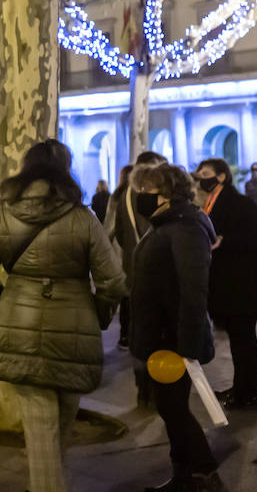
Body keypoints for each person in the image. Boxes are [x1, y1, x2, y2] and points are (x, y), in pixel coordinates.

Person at [0, 140, 125, 492]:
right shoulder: (83, 217)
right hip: (76, 326)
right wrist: (98, 315)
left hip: (20, 325)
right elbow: (113, 281)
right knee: (60, 422)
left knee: (41, 426)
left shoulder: (0, 213)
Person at [129, 163, 224, 492]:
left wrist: (185, 345)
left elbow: (194, 289)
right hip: (160, 333)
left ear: (168, 193)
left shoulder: (184, 227)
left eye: (147, 191)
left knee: (173, 408)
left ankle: (204, 471)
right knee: (170, 407)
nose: (141, 196)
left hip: (173, 336)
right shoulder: (166, 223)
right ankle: (185, 474)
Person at [195, 158, 257, 410]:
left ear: (221, 177)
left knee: (244, 339)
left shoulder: (238, 202)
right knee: (238, 339)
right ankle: (241, 386)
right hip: (230, 283)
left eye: (205, 173)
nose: (199, 177)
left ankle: (248, 392)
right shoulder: (210, 202)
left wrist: (223, 241)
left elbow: (254, 239)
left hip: (242, 284)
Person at [106, 151, 166, 393]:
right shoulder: (158, 196)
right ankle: (155, 382)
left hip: (132, 268)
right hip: (158, 271)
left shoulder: (121, 194)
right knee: (157, 328)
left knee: (139, 327)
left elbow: (116, 232)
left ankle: (143, 384)